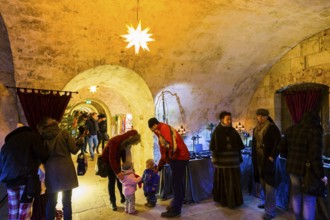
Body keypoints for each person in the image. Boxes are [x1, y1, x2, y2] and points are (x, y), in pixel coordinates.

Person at [280, 111, 328, 220]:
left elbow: (282, 149)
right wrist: (322, 176)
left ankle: (297, 218)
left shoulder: (291, 129)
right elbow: (315, 156)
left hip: (292, 169)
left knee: (296, 195)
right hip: (307, 171)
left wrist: (291, 157)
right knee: (308, 200)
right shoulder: (315, 131)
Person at [37, 117, 83, 220]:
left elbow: (42, 156)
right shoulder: (64, 133)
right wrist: (80, 143)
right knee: (67, 202)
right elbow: (74, 150)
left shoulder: (42, 138)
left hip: (51, 171)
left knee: (51, 201)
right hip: (66, 169)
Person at [0, 124, 48, 220]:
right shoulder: (32, 137)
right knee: (24, 212)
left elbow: (2, 166)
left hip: (9, 181)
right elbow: (43, 155)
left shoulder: (6, 145)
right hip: (26, 180)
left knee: (13, 211)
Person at [148, 117, 190, 218]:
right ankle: (176, 204)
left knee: (176, 183)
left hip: (180, 158)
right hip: (178, 158)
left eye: (151, 128)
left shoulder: (164, 128)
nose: (152, 131)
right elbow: (164, 152)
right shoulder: (160, 132)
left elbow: (171, 146)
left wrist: (172, 159)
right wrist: (159, 166)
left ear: (154, 125)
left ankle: (176, 209)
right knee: (177, 183)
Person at [210, 111, 245, 208]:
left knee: (234, 182)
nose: (229, 121)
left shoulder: (233, 131)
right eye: (227, 119)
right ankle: (226, 201)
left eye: (230, 119)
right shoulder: (217, 131)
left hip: (234, 161)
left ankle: (236, 201)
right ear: (222, 120)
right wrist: (215, 160)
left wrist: (239, 158)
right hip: (222, 163)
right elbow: (214, 148)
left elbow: (238, 147)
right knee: (225, 183)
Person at [251, 109, 281, 220]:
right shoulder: (256, 129)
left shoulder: (272, 128)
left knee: (270, 187)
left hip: (269, 162)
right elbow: (254, 144)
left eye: (262, 116)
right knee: (263, 184)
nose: (260, 118)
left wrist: (272, 157)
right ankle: (266, 202)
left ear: (267, 117)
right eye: (258, 116)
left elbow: (279, 143)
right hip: (259, 161)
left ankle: (270, 212)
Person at [101, 129, 141, 211]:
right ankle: (113, 202)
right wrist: (118, 172)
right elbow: (111, 158)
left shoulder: (123, 142)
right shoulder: (115, 141)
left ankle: (123, 197)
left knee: (120, 180)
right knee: (112, 181)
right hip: (108, 163)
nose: (131, 145)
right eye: (131, 143)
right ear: (129, 139)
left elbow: (123, 155)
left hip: (116, 161)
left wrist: (127, 168)